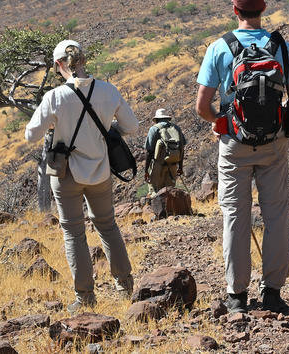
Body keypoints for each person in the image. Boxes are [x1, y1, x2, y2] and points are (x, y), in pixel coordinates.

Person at [195, 0, 289, 314]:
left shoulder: (220, 47)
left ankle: (237, 296)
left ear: (235, 11)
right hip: (273, 146)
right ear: (263, 9)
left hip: (234, 145)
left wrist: (222, 122)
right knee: (276, 217)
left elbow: (201, 106)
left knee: (234, 218)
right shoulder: (281, 47)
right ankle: (273, 293)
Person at [24, 39, 138, 311]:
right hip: (100, 170)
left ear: (58, 65)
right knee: (107, 226)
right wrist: (105, 132)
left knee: (74, 234)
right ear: (84, 59)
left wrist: (55, 124)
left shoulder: (55, 97)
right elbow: (131, 127)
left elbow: (31, 135)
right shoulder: (108, 91)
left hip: (66, 175)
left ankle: (85, 297)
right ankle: (125, 285)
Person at [143, 108, 187, 193]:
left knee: (156, 192)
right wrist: (180, 167)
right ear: (167, 118)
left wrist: (146, 171)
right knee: (170, 191)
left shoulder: (154, 129)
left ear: (156, 119)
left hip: (158, 166)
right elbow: (181, 148)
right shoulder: (176, 128)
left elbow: (149, 151)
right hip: (173, 165)